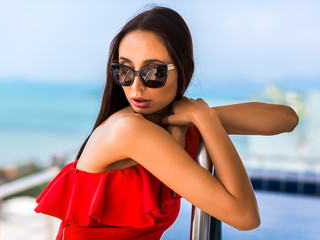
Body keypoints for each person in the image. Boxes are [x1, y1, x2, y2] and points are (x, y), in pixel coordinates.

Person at [35, 6, 298, 240]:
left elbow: (285, 119)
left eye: (154, 73)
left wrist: (201, 116)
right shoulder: (129, 130)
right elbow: (245, 216)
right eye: (124, 71)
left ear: (182, 69)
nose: (136, 87)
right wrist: (205, 119)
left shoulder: (166, 119)